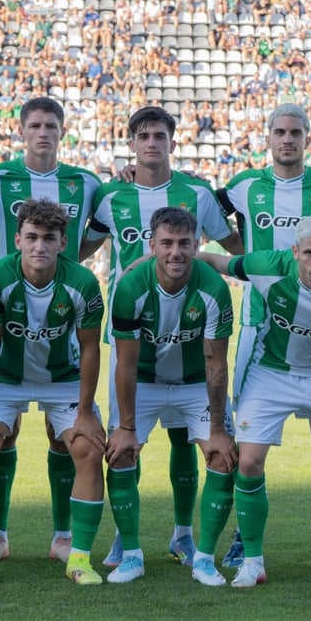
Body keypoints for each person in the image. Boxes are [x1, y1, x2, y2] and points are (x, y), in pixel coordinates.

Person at [81, 106, 243, 570]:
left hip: (192, 335)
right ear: (131, 142)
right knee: (125, 441)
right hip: (134, 335)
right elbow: (83, 249)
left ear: (172, 141)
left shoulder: (196, 193)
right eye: (143, 136)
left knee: (184, 442)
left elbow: (232, 246)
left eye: (159, 135)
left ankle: (183, 535)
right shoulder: (111, 195)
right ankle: (123, 539)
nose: (151, 143)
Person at [216, 102, 311, 572]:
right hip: (259, 330)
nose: (288, 139)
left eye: (296, 132)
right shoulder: (243, 186)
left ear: (308, 137)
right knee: (251, 443)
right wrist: (246, 259)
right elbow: (201, 212)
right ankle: (245, 537)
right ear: (268, 137)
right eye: (280, 131)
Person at [194, 214, 311, 591]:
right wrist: (154, 260)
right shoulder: (268, 266)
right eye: (310, 253)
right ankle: (253, 562)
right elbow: (217, 261)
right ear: (294, 251)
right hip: (272, 372)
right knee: (247, 462)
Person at [0, 97, 102, 563]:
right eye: (35, 124)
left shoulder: (87, 182)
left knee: (64, 439)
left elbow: (107, 217)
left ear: (62, 130)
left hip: (61, 354)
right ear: (22, 131)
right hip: (10, 347)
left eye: (52, 124)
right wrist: (26, 257)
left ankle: (65, 535)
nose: (43, 132)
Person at [0, 199, 108, 585]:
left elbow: (91, 348)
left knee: (89, 449)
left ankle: (75, 553)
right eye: (31, 237)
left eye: (49, 238)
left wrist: (84, 411)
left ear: (63, 242)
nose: (39, 246)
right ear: (17, 240)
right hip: (7, 378)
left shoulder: (82, 282)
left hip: (63, 377)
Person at [104, 206, 237, 584]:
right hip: (144, 380)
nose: (175, 252)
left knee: (223, 456)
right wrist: (126, 427)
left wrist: (218, 429)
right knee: (121, 451)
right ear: (152, 245)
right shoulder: (130, 287)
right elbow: (126, 364)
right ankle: (130, 554)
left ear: (197, 245)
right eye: (166, 243)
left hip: (195, 381)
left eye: (184, 243)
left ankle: (204, 558)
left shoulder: (213, 288)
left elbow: (215, 362)